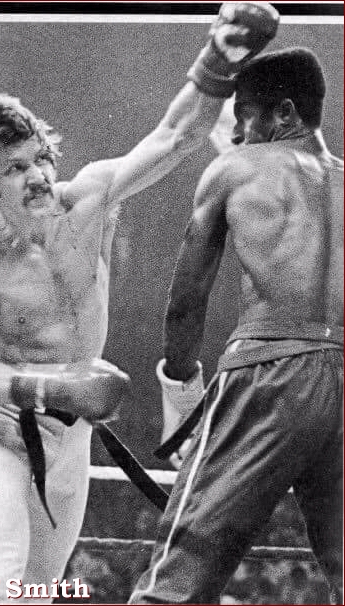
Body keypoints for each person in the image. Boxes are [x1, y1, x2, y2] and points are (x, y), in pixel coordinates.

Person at [0, 3, 279, 603]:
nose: (37, 175)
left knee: (41, 588)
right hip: (3, 428)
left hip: (73, 433)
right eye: (14, 168)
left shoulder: (91, 199)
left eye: (40, 158)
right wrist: (53, 388)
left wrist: (219, 58)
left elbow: (174, 137)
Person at [128, 46, 344, 605]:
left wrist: (180, 391)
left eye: (244, 115)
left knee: (178, 575)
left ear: (285, 112)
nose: (239, 134)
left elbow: (187, 297)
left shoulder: (234, 168)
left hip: (269, 372)